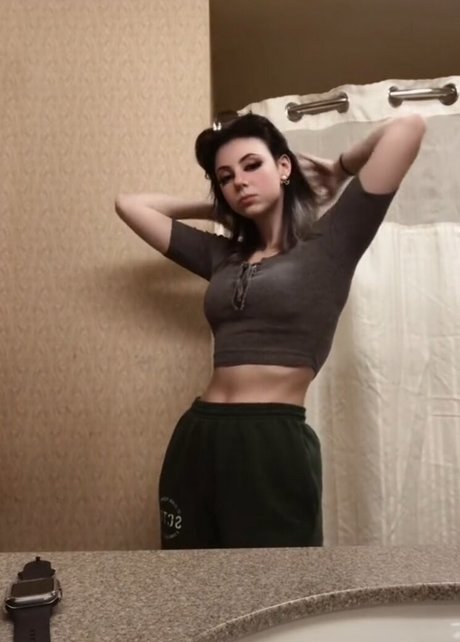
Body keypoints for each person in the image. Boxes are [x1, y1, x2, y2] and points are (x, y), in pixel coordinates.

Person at [115, 112, 426, 549]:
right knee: (186, 576)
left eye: (251, 165)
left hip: (272, 439)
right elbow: (129, 205)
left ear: (284, 167)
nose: (239, 181)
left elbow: (408, 129)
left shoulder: (331, 243)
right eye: (225, 177)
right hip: (199, 435)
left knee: (279, 580)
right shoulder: (222, 255)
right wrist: (218, 208)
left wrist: (339, 168)